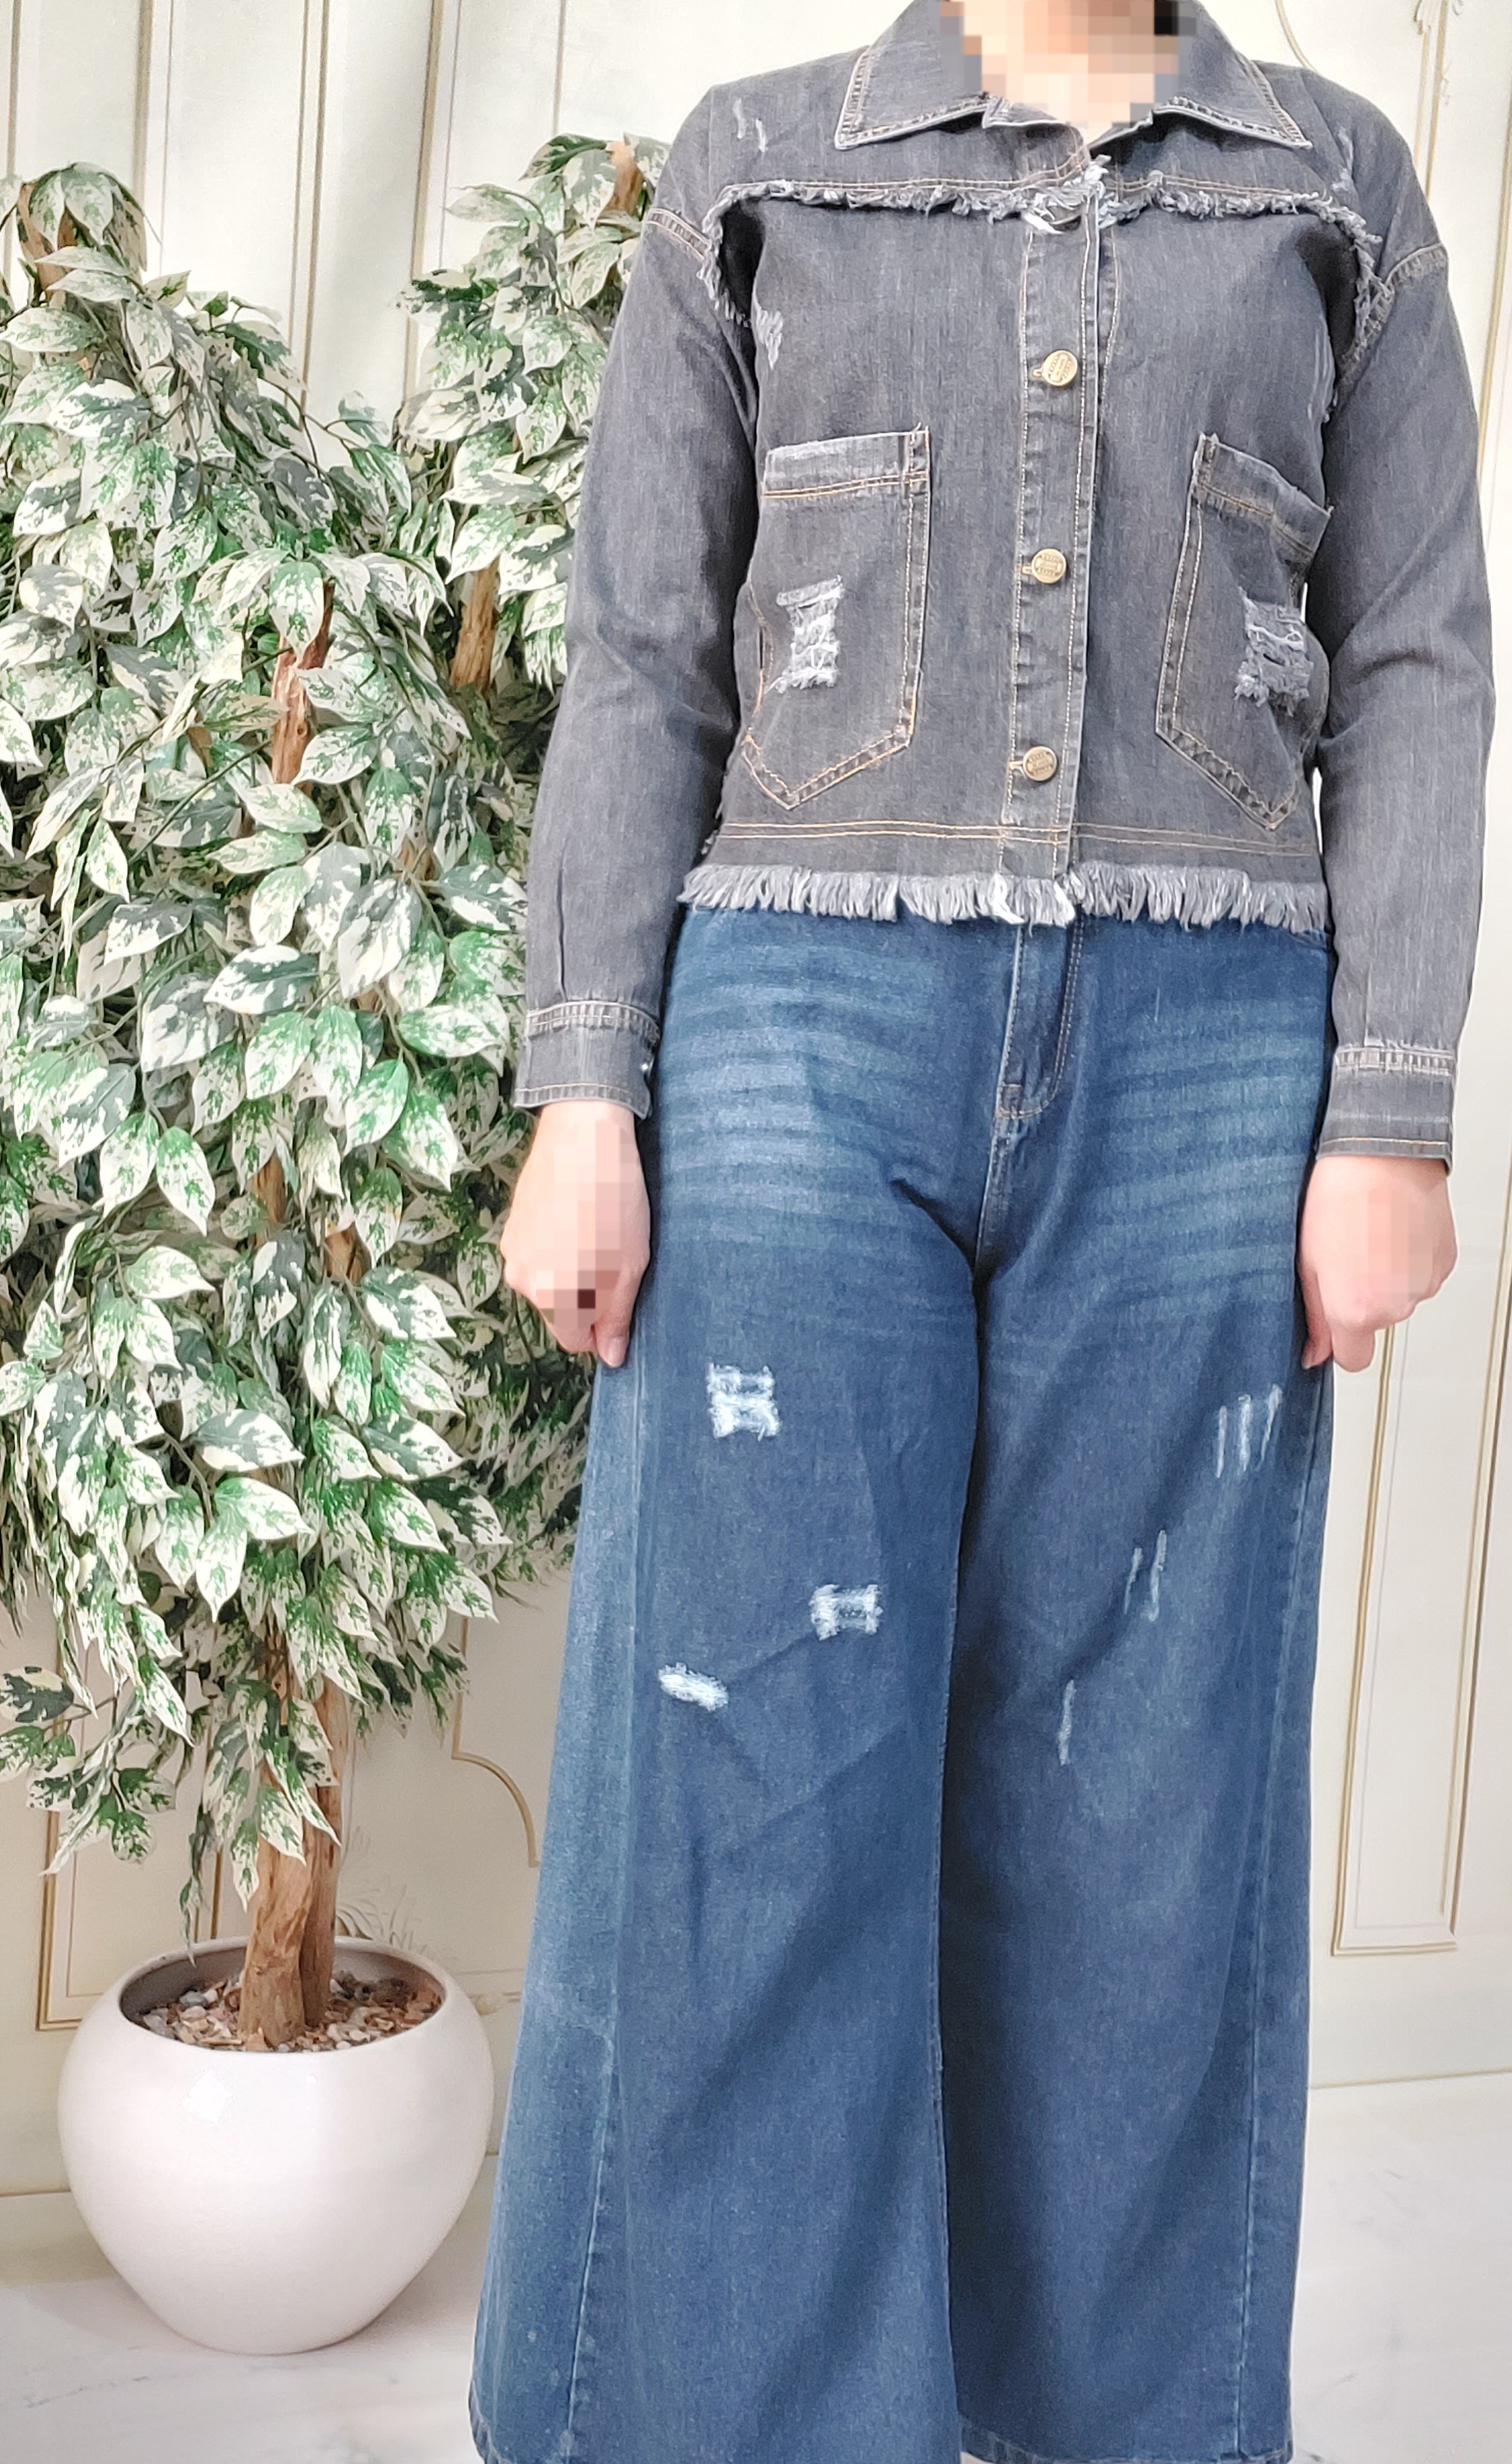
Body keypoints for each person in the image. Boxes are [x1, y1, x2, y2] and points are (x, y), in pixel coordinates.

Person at [469, 6, 1494, 2462]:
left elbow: (1414, 662)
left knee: (1141, 1814)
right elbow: (640, 653)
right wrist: (581, 1091)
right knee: (761, 1779)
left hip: (1210, 1053)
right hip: (796, 1031)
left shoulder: (1334, 180)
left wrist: (1390, 1110)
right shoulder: (757, 162)